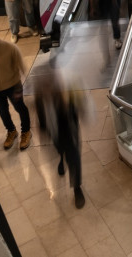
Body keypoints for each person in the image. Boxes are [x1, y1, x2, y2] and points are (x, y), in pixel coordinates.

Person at [35, 72, 86, 208]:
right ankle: (61, 159)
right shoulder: (40, 97)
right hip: (54, 133)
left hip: (68, 132)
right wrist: (43, 130)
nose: (47, 88)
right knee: (60, 149)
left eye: (49, 85)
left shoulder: (66, 95)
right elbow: (41, 116)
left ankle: (77, 188)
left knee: (74, 159)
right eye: (44, 86)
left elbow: (76, 111)